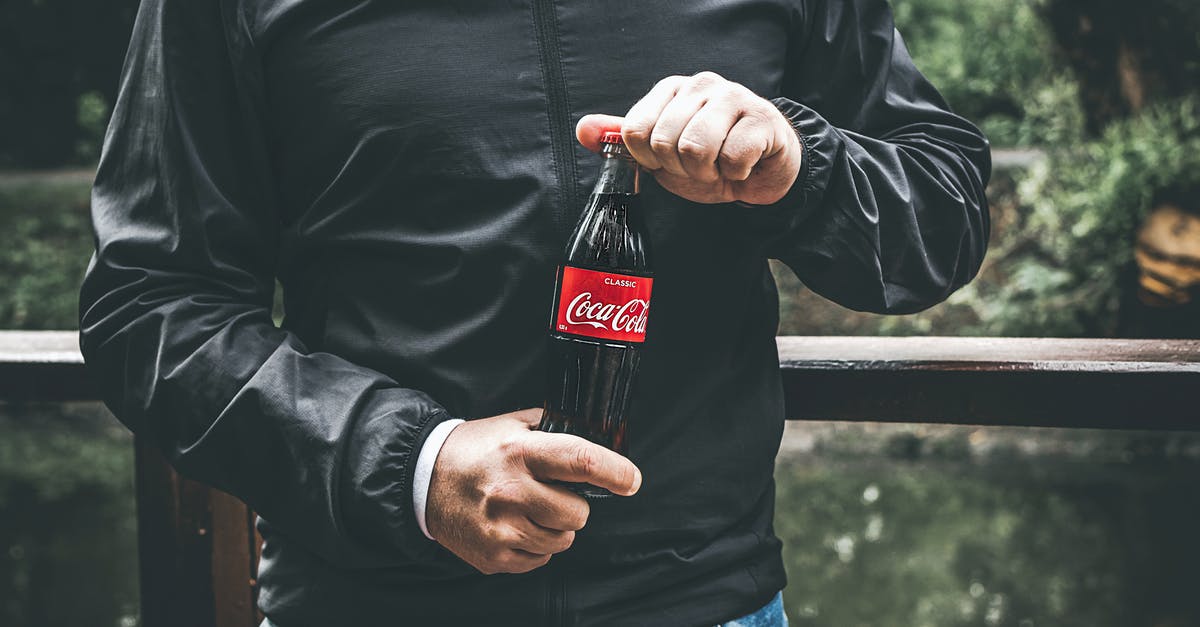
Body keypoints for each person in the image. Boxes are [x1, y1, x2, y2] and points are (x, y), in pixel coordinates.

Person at [78, 0, 990, 625]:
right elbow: (151, 301)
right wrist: (410, 467)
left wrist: (800, 166)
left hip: (709, 601)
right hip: (367, 604)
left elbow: (942, 215)